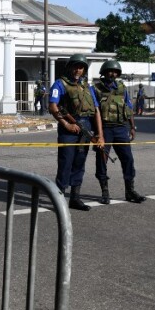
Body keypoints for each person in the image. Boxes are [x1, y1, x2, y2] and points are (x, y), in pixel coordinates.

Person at [48, 54, 104, 211]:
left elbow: (96, 111)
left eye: (81, 67)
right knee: (65, 163)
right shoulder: (60, 84)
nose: (78, 70)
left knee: (79, 163)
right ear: (69, 67)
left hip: (85, 127)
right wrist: (66, 124)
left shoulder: (87, 87)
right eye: (75, 66)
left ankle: (75, 198)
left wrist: (100, 135)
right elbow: (53, 106)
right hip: (69, 129)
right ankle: (59, 201)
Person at [93, 60, 146, 205]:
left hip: (121, 128)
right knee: (102, 160)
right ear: (104, 73)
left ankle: (130, 191)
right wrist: (97, 133)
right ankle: (105, 192)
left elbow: (128, 108)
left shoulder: (122, 88)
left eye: (115, 72)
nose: (113, 74)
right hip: (105, 129)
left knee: (128, 159)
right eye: (110, 71)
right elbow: (94, 112)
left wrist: (132, 127)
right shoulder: (96, 89)